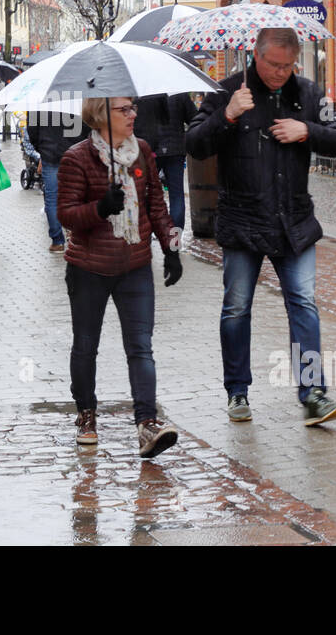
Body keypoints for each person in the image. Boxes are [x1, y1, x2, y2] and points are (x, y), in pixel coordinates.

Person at [186, 27, 336, 426]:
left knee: (304, 305)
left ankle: (313, 393)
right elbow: (194, 143)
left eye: (287, 65)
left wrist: (307, 130)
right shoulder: (226, 92)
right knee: (237, 307)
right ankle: (237, 391)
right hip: (242, 221)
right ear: (255, 56)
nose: (280, 73)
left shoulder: (310, 94)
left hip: (293, 222)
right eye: (273, 65)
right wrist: (227, 115)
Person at [57, 96, 184, 458]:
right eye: (123, 109)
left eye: (133, 108)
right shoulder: (76, 158)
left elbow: (156, 203)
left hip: (135, 265)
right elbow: (65, 214)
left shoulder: (141, 150)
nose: (133, 114)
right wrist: (100, 208)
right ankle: (86, 414)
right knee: (86, 345)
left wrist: (171, 246)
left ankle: (146, 423)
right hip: (88, 268)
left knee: (141, 346)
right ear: (100, 115)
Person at [133, 92, 196, 232]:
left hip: (149, 150)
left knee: (147, 194)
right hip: (175, 150)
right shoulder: (179, 92)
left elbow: (136, 124)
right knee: (177, 195)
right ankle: (174, 241)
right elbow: (194, 119)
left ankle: (146, 236)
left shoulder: (142, 92)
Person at [26, 110, 86, 252]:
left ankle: (57, 240)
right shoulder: (76, 95)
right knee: (75, 195)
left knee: (52, 198)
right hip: (74, 151)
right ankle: (74, 233)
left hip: (50, 153)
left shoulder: (40, 99)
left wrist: (41, 148)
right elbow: (86, 125)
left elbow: (32, 130)